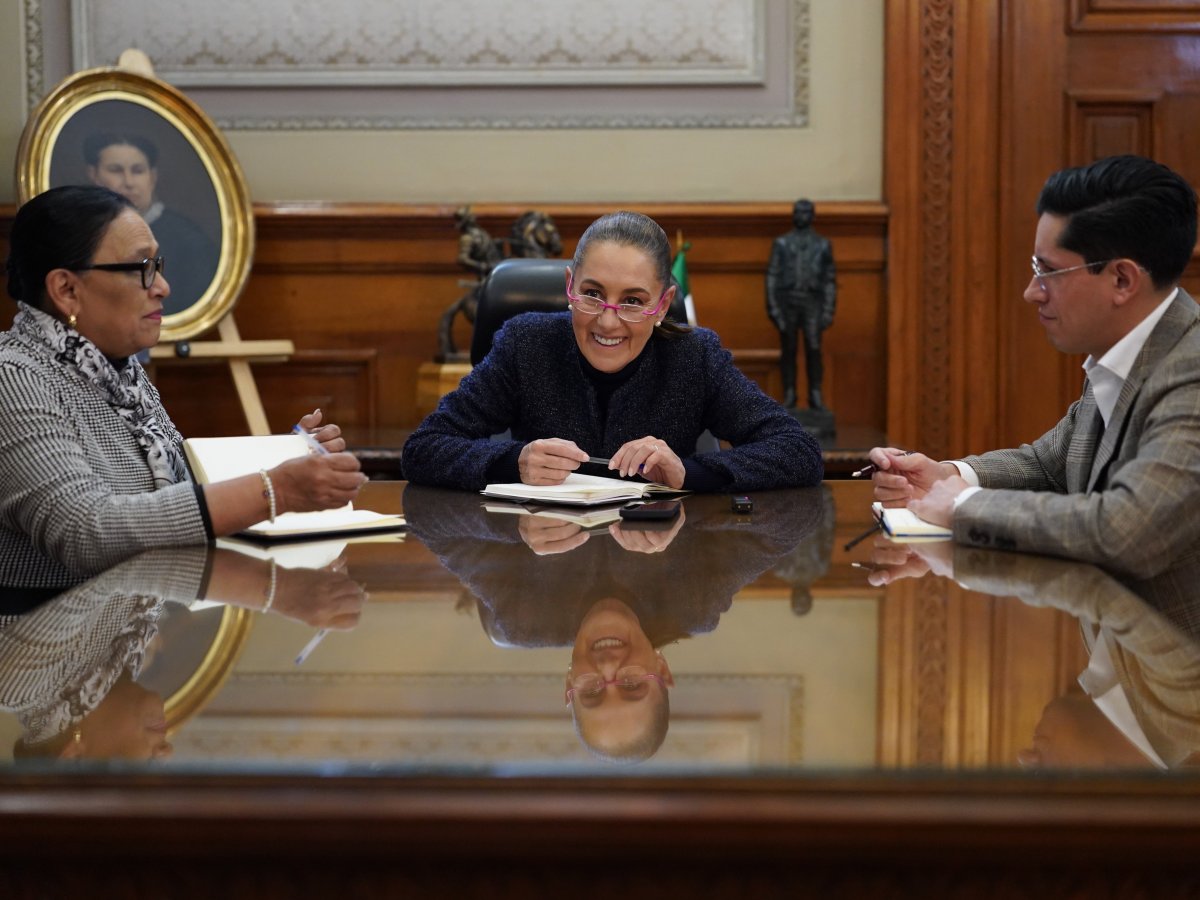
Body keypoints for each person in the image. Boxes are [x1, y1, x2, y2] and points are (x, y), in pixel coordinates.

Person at [0, 185, 367, 588]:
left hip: (139, 615)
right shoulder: (13, 375)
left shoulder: (116, 369)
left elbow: (182, 489)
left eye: (157, 264)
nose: (162, 287)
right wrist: (276, 489)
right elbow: (87, 532)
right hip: (44, 640)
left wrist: (291, 454)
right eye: (141, 268)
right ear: (67, 290)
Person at [869, 155, 1200, 581]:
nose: (1031, 293)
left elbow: (1126, 531)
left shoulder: (1190, 372)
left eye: (1049, 272)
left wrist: (962, 507)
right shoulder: (1127, 349)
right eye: (1034, 268)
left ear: (1122, 280)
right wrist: (946, 476)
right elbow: (1049, 466)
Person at [404, 210, 824, 492]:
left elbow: (798, 451)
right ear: (569, 286)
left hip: (659, 573)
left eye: (634, 301)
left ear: (663, 303)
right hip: (541, 572)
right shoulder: (525, 344)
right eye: (592, 294)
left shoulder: (694, 356)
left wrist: (687, 474)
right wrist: (514, 462)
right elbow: (424, 448)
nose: (608, 320)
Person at [84, 132, 219, 316]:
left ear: (152, 177)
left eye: (138, 171)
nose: (129, 182)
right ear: (94, 175)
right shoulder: (82, 233)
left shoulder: (189, 240)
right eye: (116, 170)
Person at [765, 199, 837, 410]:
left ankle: (815, 394)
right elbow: (772, 276)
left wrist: (828, 309)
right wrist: (774, 308)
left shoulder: (823, 245)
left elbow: (829, 280)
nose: (801, 215)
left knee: (814, 348)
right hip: (788, 301)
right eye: (798, 212)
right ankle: (790, 393)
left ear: (813, 216)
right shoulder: (782, 243)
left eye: (806, 212)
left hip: (812, 303)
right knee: (789, 349)